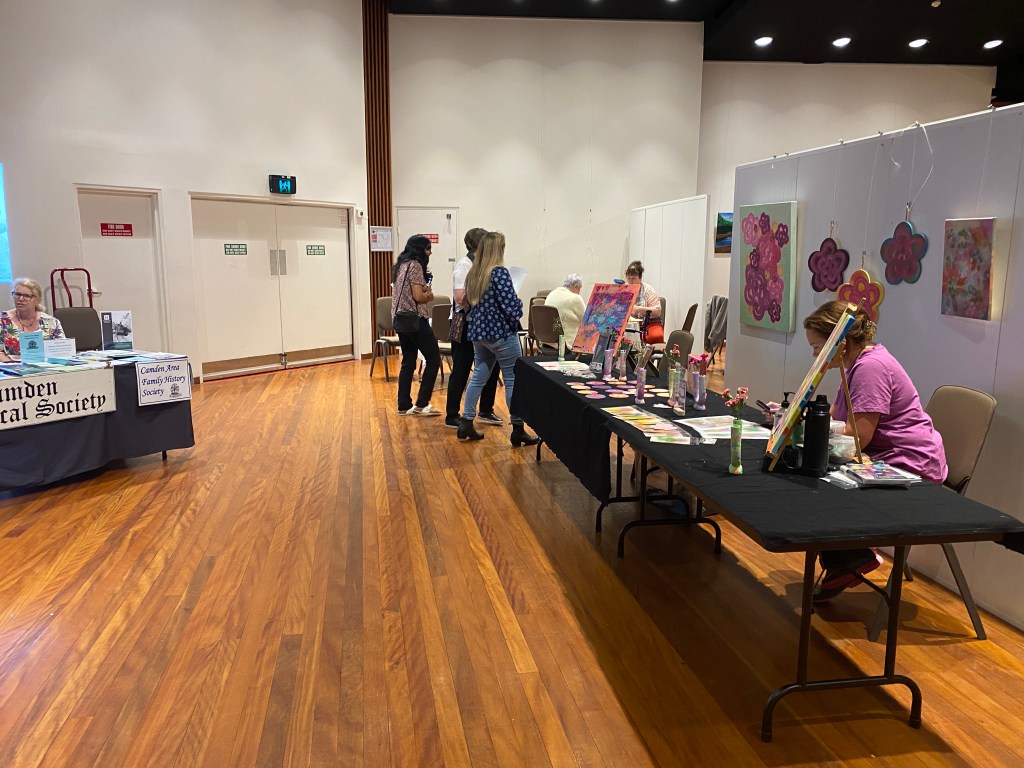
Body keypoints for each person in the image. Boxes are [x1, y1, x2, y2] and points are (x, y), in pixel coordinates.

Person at [803, 300, 947, 602]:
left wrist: (814, 428)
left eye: (818, 348)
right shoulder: (854, 365)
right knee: (819, 469)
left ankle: (853, 555)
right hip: (892, 454)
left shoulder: (870, 368)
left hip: (912, 462)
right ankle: (845, 557)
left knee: (824, 481)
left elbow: (859, 436)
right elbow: (838, 416)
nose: (815, 355)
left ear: (841, 342)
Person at [457, 231, 539, 446]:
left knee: (478, 376)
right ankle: (518, 428)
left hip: (479, 333)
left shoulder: (474, 273)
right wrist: (519, 305)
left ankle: (466, 421)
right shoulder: (499, 273)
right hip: (500, 333)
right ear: (497, 250)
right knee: (512, 378)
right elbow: (512, 308)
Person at [445, 227, 502, 430]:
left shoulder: (483, 266)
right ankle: (452, 414)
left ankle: (486, 409)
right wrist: (484, 295)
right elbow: (460, 298)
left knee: (491, 364)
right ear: (478, 245)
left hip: (481, 321)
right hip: (465, 322)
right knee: (462, 367)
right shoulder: (464, 265)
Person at [391, 235, 441, 416]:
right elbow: (418, 296)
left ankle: (404, 405)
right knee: (434, 359)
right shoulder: (416, 266)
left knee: (408, 361)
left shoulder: (401, 265)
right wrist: (430, 296)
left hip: (400, 319)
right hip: (415, 319)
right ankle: (422, 404)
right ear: (420, 249)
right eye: (428, 248)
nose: (430, 252)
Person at [1, 278, 65, 361]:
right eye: (17, 294)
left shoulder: (51, 322)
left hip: (46, 365)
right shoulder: (2, 321)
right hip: (12, 365)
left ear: (37, 300)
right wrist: (12, 365)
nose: (21, 299)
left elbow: (62, 350)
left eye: (27, 296)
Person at [624, 260, 663, 344]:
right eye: (629, 278)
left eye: (634, 278)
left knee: (656, 336)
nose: (631, 281)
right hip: (627, 324)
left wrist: (636, 309)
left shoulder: (648, 290)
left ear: (640, 278)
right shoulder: (624, 289)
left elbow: (657, 311)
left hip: (648, 323)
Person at [543, 273, 586, 346]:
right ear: (575, 287)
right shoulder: (575, 298)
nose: (579, 292)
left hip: (548, 341)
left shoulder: (552, 294)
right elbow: (587, 321)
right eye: (580, 288)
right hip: (567, 343)